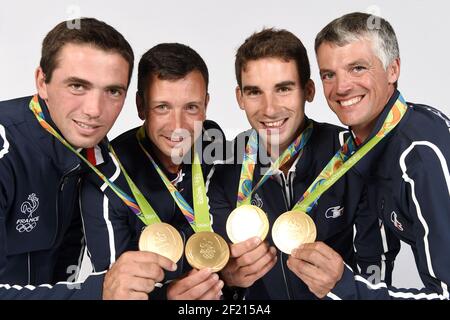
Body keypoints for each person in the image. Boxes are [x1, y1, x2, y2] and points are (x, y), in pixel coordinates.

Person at [207, 28, 399, 300]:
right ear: (239, 97)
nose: (270, 109)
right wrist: (229, 280)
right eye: (254, 92)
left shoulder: (352, 155)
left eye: (283, 89)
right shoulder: (223, 168)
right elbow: (216, 276)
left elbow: (376, 270)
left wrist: (343, 285)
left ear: (308, 91)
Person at [0, 18, 177, 299]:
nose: (95, 110)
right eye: (78, 86)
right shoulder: (5, 150)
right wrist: (98, 292)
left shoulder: (99, 154)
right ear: (42, 82)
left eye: (112, 91)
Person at [292, 12, 450, 300]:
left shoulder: (420, 156)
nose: (341, 88)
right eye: (329, 74)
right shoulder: (364, 143)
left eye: (357, 68)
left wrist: (342, 287)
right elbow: (374, 259)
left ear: (393, 69)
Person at [81, 43, 227, 300]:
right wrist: (168, 298)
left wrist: (231, 278)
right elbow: (117, 292)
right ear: (141, 106)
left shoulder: (213, 143)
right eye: (162, 107)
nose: (178, 126)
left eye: (191, 107)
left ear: (205, 105)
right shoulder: (106, 181)